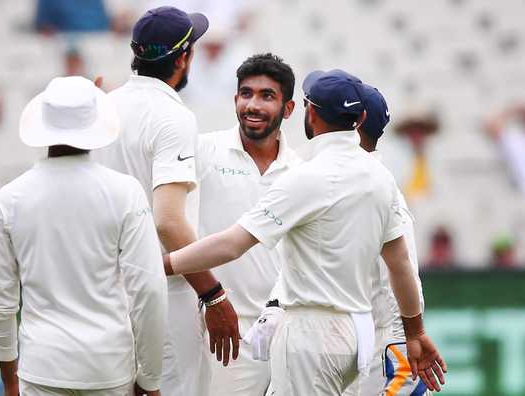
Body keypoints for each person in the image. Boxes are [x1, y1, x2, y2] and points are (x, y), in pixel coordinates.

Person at [163, 70, 447, 395]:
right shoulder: (381, 179)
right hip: (355, 335)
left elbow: (231, 245)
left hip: (311, 333)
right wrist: (416, 331)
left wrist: (163, 264)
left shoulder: (306, 177)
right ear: (360, 117)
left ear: (309, 113)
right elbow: (402, 267)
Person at [0, 76, 167, 396]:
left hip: (42, 369)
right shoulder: (125, 193)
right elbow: (149, 289)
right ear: (95, 126)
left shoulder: (10, 198)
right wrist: (149, 379)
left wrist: (10, 381)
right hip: (108, 368)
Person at [94, 7, 239, 396]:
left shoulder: (103, 107)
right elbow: (168, 222)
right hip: (163, 294)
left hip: (105, 293)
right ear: (182, 58)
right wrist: (214, 294)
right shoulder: (172, 116)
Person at [197, 53, 298, 396]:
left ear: (288, 109)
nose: (252, 105)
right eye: (246, 93)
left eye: (267, 96)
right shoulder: (203, 153)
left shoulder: (302, 174)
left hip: (287, 341)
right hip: (223, 338)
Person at [349, 79, 428, 395]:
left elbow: (400, 270)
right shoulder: (366, 180)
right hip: (360, 336)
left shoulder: (380, 187)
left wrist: (406, 336)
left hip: (383, 339)